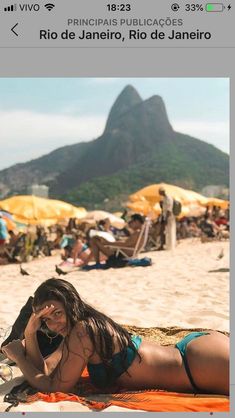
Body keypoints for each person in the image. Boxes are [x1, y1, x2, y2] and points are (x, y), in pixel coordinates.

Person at [2, 278, 229, 395]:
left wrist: (20, 358)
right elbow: (47, 370)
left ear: (71, 304)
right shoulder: (76, 332)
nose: (54, 323)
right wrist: (30, 332)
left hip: (197, 365)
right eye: (46, 320)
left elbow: (54, 387)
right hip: (194, 355)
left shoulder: (83, 331)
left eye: (58, 313)